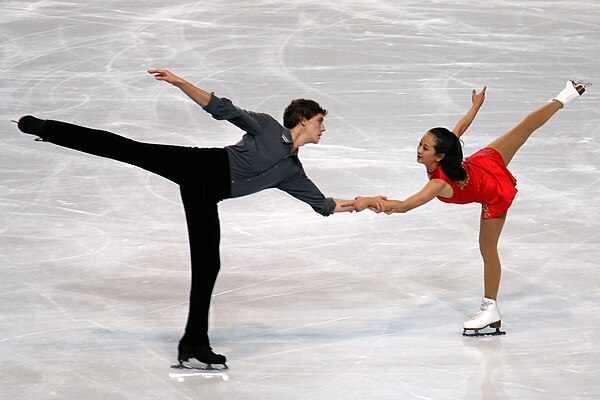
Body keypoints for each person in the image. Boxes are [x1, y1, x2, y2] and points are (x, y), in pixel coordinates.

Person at [16, 69, 360, 366]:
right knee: (129, 148)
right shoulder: (268, 127)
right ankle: (47, 128)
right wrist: (181, 83)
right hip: (199, 165)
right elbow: (223, 109)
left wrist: (367, 202)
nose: (323, 129)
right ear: (303, 119)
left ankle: (194, 345)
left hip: (205, 194)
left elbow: (324, 205)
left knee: (208, 264)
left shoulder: (291, 171)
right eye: (320, 121)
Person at [346, 80, 586, 336]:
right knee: (524, 128)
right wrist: (476, 106)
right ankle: (566, 95)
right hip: (485, 162)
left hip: (493, 193)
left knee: (488, 250)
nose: (418, 150)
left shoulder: (439, 183)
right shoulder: (446, 152)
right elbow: (458, 130)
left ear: (439, 156)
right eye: (420, 144)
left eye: (424, 148)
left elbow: (405, 206)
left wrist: (370, 202)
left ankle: (490, 307)